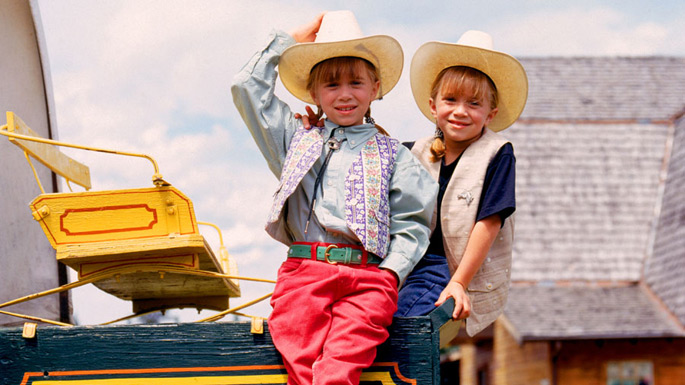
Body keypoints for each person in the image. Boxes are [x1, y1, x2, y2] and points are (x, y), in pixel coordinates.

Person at [231, 10, 437, 385]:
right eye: (331, 85)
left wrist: (390, 273)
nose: (344, 94)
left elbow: (413, 222)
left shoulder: (396, 156)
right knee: (301, 367)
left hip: (368, 278)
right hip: (304, 274)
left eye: (356, 83)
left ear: (375, 88)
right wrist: (288, 41)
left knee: (338, 371)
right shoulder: (295, 139)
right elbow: (247, 87)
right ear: (313, 93)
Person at [396, 30, 528, 338]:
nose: (460, 111)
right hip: (403, 263)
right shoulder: (411, 151)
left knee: (401, 323)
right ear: (433, 105)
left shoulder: (497, 154)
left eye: (473, 103)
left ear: (490, 113)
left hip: (445, 265)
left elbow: (489, 221)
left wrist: (459, 281)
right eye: (451, 99)